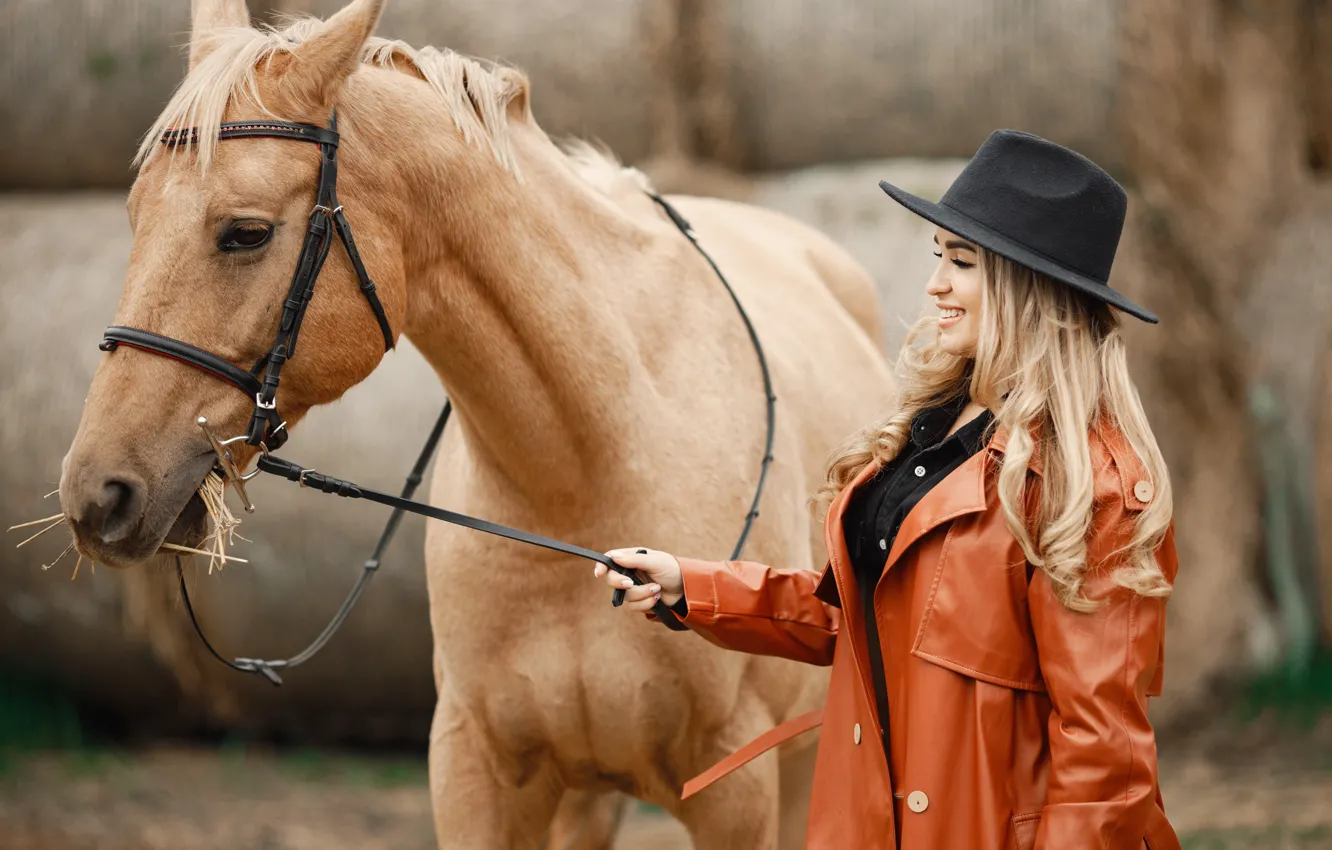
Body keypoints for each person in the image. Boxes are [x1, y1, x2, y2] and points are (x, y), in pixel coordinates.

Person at [595, 130, 1181, 850]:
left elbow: (1105, 754)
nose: (934, 282)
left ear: (1030, 288)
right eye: (939, 256)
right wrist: (693, 586)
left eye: (960, 263)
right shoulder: (931, 431)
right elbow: (868, 620)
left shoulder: (1091, 485)